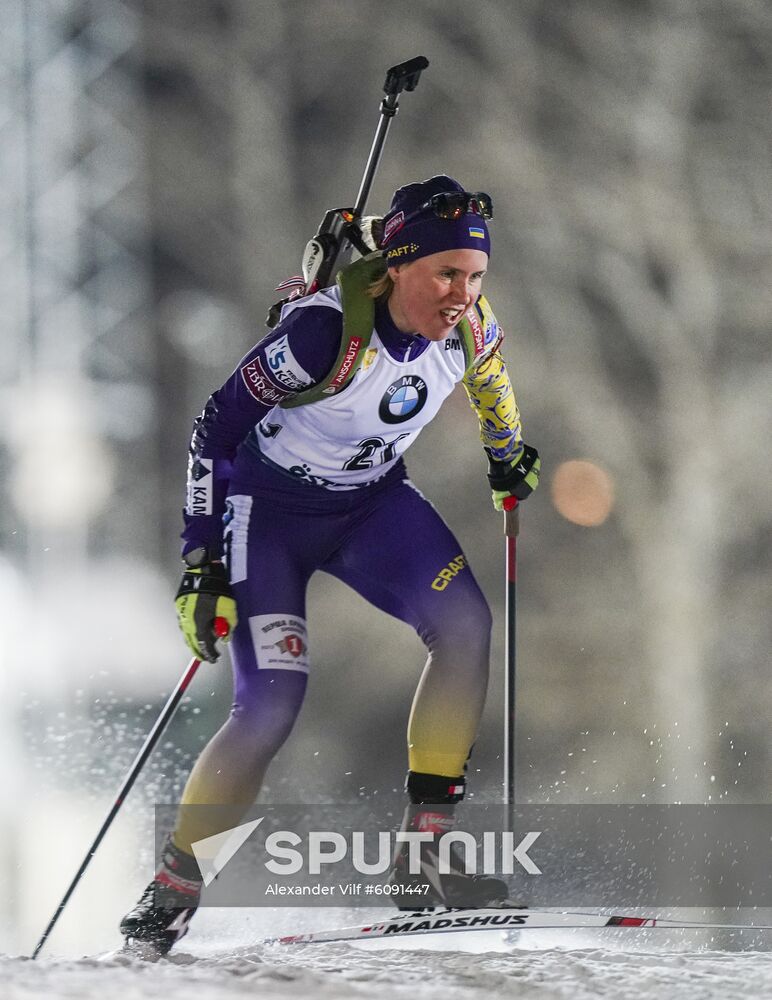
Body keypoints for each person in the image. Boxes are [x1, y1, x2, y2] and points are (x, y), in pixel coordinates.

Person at [120, 175, 540, 954]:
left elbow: (492, 385)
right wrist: (199, 561)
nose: (462, 292)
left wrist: (508, 455)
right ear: (400, 265)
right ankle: (177, 885)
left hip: (371, 509)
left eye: (475, 276)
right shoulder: (325, 333)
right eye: (446, 273)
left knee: (466, 624)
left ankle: (425, 859)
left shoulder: (471, 326)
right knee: (273, 703)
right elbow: (214, 427)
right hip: (268, 518)